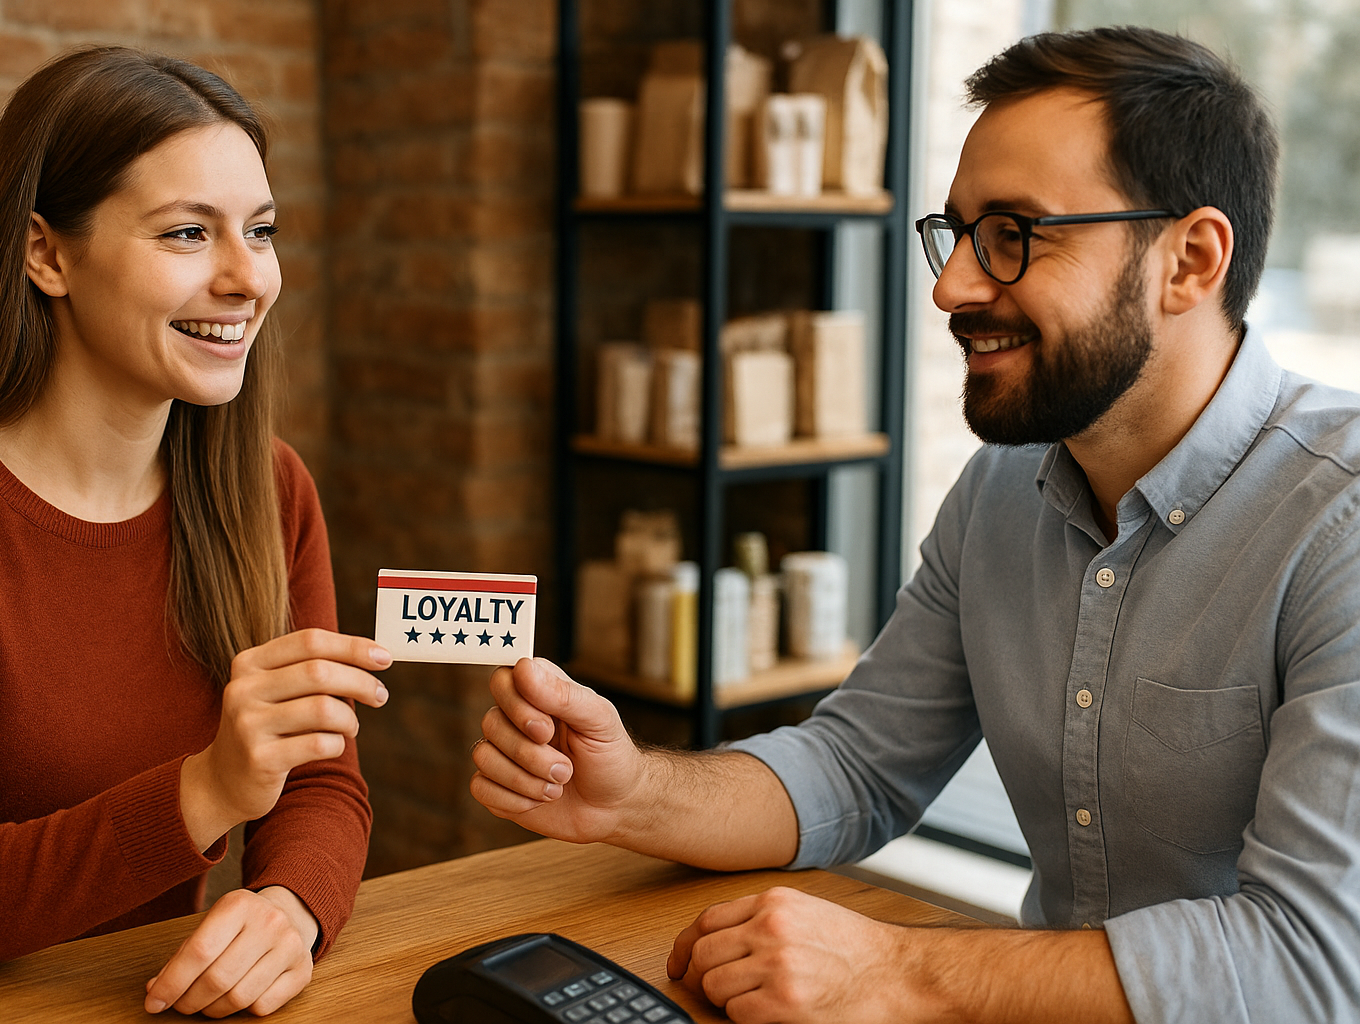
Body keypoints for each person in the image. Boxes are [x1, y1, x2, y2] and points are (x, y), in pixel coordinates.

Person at [471, 26, 1360, 1024]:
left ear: (1189, 261)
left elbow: (1309, 967)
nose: (952, 287)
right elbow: (859, 764)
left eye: (1014, 234)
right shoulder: (1001, 491)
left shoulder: (1342, 524)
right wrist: (634, 792)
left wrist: (897, 970)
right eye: (960, 232)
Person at [0, 48, 390, 1017]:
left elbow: (320, 781)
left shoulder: (269, 488)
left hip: (138, 995)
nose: (247, 277)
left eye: (260, 230)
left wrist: (290, 908)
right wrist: (208, 788)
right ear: (47, 255)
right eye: (187, 232)